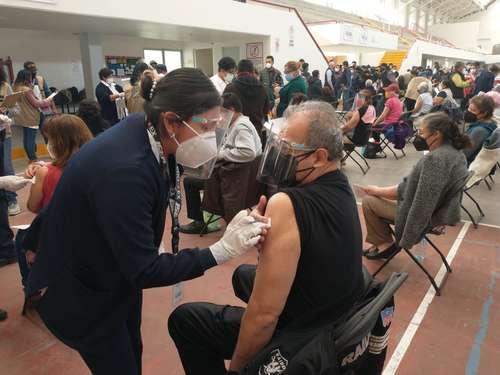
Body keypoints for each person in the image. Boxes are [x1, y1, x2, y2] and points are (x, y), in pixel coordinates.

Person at [26, 68, 269, 375]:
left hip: (113, 272)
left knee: (131, 349)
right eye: (206, 127)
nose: (211, 137)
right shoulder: (125, 169)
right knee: (118, 363)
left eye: (215, 126)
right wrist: (219, 251)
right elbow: (143, 270)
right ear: (171, 121)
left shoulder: (146, 130)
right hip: (82, 289)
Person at [169, 101, 364, 375]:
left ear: (319, 157)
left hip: (306, 331)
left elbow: (263, 316)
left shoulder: (286, 203)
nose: (280, 155)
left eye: (288, 150)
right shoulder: (341, 184)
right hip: (337, 310)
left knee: (185, 319)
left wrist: (238, 369)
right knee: (242, 275)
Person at [362, 112, 470, 259]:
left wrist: (407, 237)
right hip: (438, 213)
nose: (417, 136)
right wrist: (379, 190)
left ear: (436, 134)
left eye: (421, 132)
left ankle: (384, 245)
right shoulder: (456, 154)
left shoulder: (435, 159)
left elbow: (422, 203)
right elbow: (412, 188)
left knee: (369, 201)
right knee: (375, 194)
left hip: (427, 217)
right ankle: (381, 243)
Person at [26, 115, 93, 214]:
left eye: (49, 139)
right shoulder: (96, 165)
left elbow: (32, 207)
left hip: (56, 226)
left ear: (59, 143)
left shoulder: (45, 173)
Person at [12, 69, 55, 163]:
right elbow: (36, 103)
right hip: (31, 116)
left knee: (27, 137)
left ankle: (31, 158)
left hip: (22, 116)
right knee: (30, 138)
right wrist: (47, 101)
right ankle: (33, 159)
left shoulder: (15, 88)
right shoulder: (26, 90)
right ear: (27, 78)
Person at [224, 59, 269, 143]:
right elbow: (266, 111)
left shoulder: (230, 88)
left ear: (237, 71)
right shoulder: (262, 88)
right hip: (256, 134)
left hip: (236, 135)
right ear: (252, 71)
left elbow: (225, 113)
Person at [0, 66, 21, 215]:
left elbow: (16, 109)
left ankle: (12, 200)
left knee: (6, 167)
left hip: (3, 134)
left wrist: (6, 111)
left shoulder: (5, 87)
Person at [463, 95, 497, 164]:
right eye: (469, 108)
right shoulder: (490, 123)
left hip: (467, 165)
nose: (469, 112)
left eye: (473, 110)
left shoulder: (479, 131)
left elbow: (464, 154)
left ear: (484, 113)